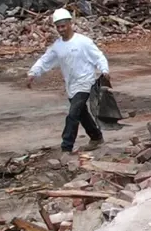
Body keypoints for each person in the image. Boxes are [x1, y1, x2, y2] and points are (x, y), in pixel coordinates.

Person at [26, 8, 111, 152]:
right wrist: (33, 72)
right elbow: (45, 60)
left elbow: (98, 56)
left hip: (85, 83)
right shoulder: (58, 46)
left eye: (63, 26)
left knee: (73, 115)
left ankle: (66, 147)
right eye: (58, 27)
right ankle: (96, 137)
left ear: (70, 24)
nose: (61, 30)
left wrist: (104, 70)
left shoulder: (83, 42)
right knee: (81, 113)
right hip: (71, 85)